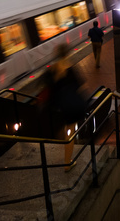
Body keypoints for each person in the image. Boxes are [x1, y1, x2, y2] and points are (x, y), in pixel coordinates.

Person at [44, 44, 87, 172]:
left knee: (66, 129)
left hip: (59, 105)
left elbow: (49, 87)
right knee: (70, 132)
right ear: (67, 53)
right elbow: (81, 86)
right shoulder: (71, 69)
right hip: (72, 105)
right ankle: (67, 163)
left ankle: (60, 137)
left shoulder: (52, 69)